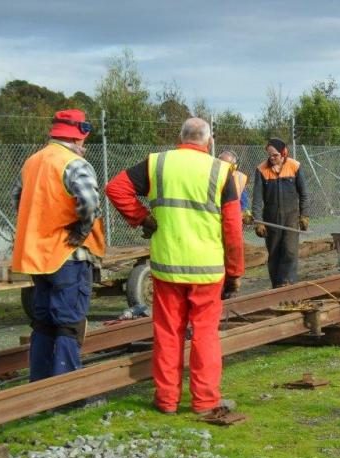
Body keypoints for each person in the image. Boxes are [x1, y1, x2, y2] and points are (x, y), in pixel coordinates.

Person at [105, 117, 244, 417]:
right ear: (208, 141)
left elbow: (116, 189)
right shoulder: (221, 171)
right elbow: (232, 228)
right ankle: (205, 401)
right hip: (207, 270)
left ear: (180, 137)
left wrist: (142, 217)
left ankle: (167, 400)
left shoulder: (157, 164)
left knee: (168, 333)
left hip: (167, 266)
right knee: (205, 334)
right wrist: (234, 272)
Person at [11, 109, 105, 381]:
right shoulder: (73, 163)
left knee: (43, 321)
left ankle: (39, 382)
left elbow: (18, 198)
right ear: (79, 136)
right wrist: (81, 230)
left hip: (38, 256)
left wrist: (38, 228)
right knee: (68, 321)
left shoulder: (32, 162)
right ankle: (67, 389)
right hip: (68, 254)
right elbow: (89, 203)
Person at [251, 137, 310, 287]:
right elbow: (257, 199)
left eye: (275, 155)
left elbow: (303, 194)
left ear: (283, 153)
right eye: (269, 155)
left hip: (291, 216)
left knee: (290, 251)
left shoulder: (295, 167)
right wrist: (258, 222)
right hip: (270, 218)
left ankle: (288, 283)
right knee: (275, 252)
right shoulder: (261, 170)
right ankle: (277, 286)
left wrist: (304, 215)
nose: (272, 158)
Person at [217, 150, 251, 223]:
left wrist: (243, 214)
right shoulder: (212, 177)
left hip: (231, 220)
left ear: (235, 166)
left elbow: (242, 203)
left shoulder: (239, 179)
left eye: (227, 164)